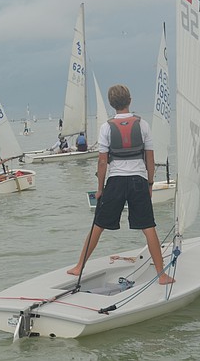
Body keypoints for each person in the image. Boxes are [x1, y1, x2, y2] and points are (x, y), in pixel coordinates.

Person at [66, 84, 174, 285]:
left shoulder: (106, 127)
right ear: (130, 100)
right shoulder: (143, 125)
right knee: (148, 227)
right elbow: (150, 158)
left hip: (115, 181)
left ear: (111, 104)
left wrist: (100, 189)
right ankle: (162, 275)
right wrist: (150, 183)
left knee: (98, 225)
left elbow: (102, 162)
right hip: (138, 181)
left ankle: (79, 266)